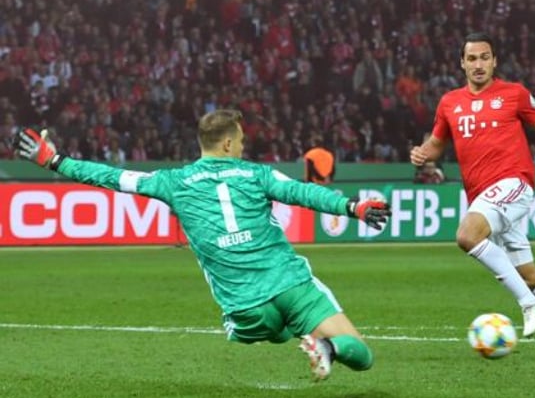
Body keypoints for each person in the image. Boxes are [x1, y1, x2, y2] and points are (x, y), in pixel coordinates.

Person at [15, 110, 391, 382]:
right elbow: (301, 192)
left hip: (245, 310)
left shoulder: (173, 182)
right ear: (228, 143)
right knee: (361, 354)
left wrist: (54, 160)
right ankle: (329, 348)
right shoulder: (256, 174)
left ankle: (297, 334)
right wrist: (352, 207)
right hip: (290, 286)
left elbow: (112, 177)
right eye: (241, 141)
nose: (243, 147)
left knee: (274, 328)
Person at [409, 32, 535, 362]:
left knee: (466, 235)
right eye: (472, 58)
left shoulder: (514, 94)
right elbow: (437, 143)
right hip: (482, 195)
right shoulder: (450, 103)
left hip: (513, 183)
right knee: (530, 276)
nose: (478, 64)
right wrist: (422, 153)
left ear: (494, 61)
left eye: (484, 57)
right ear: (462, 63)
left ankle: (529, 306)